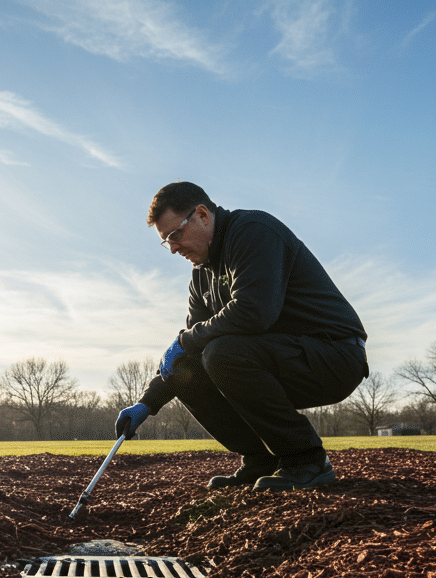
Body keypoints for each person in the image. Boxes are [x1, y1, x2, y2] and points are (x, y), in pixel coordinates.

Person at [114, 181, 369, 491]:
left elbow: (254, 312)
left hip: (335, 355)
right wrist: (147, 403)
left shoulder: (253, 231)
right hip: (277, 358)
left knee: (221, 353)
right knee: (190, 370)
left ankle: (307, 460)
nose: (173, 248)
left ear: (203, 215)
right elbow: (190, 350)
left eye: (175, 235)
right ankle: (261, 459)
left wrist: (186, 342)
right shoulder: (201, 275)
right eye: (165, 241)